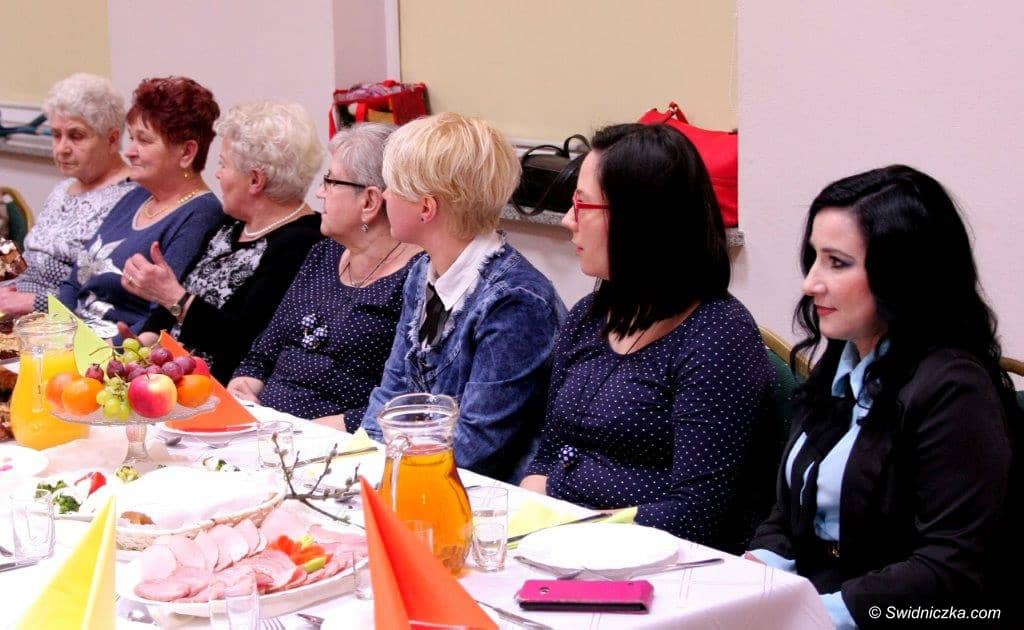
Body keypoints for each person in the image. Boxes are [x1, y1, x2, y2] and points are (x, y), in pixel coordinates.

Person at [745, 165, 1019, 628]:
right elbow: (790, 511)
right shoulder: (844, 359)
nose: (810, 283)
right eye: (814, 258)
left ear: (903, 273)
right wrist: (752, 572)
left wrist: (809, 613)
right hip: (820, 600)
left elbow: (948, 569)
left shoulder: (954, 389)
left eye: (837, 262)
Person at [520, 123, 774, 550]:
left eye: (582, 204)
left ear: (638, 220)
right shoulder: (588, 316)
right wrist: (541, 498)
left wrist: (565, 511)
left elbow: (695, 513)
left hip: (672, 565)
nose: (567, 220)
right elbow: (548, 454)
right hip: (570, 543)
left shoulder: (718, 337)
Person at [357, 112, 565, 483]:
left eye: (391, 187)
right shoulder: (422, 272)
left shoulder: (515, 303)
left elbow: (477, 446)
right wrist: (363, 467)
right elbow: (392, 395)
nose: (384, 195)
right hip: (421, 472)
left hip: (484, 490)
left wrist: (387, 476)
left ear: (426, 208)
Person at [228, 123, 421, 422]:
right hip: (267, 427)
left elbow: (406, 399)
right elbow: (263, 352)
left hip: (337, 440)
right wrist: (243, 386)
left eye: (330, 181)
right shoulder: (324, 253)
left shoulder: (416, 277)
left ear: (369, 201)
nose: (320, 192)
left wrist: (326, 429)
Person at [123, 101, 325, 381]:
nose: (217, 174)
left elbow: (243, 340)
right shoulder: (231, 224)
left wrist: (172, 296)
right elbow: (178, 300)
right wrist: (143, 344)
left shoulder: (302, 244)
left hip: (218, 388)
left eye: (223, 164)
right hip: (166, 376)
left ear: (255, 180)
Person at [56, 76, 224, 338]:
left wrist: (93, 350)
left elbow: (158, 319)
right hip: (69, 337)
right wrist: (56, 331)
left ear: (186, 153)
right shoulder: (135, 195)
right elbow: (73, 281)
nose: (130, 151)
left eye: (144, 141)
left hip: (115, 350)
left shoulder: (201, 214)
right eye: (132, 138)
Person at [0, 73, 135, 317]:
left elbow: (106, 296)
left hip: (60, 322)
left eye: (76, 136)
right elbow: (30, 261)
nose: (61, 149)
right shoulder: (63, 189)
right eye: (56, 135)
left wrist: (33, 303)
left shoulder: (130, 200)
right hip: (15, 305)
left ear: (112, 139)